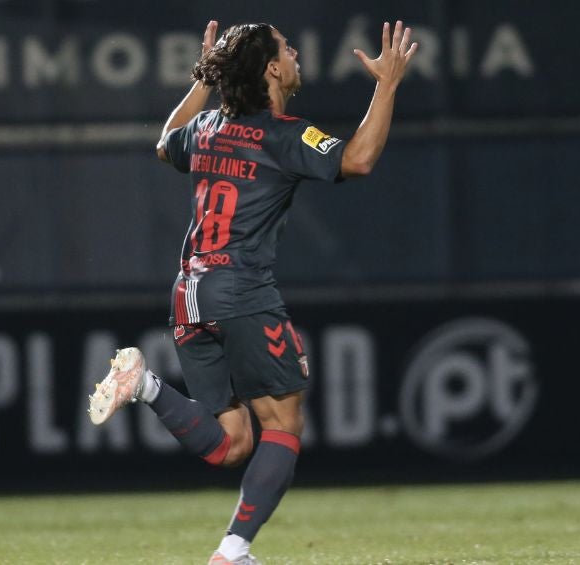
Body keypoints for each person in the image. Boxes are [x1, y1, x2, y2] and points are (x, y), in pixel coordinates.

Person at [88, 19, 417, 565]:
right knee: (283, 426)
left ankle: (144, 385)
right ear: (271, 68)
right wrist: (386, 85)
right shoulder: (285, 134)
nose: (294, 54)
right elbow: (357, 159)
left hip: (188, 293)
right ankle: (233, 552)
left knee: (231, 444)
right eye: (287, 47)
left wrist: (202, 79)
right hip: (241, 290)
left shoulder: (209, 127)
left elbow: (164, 144)